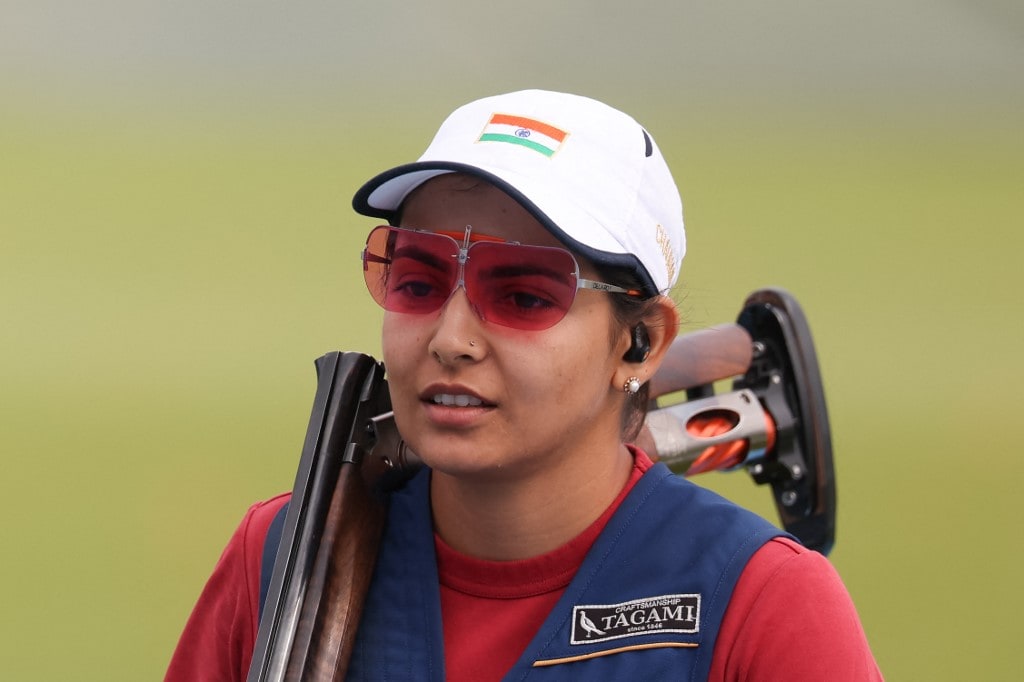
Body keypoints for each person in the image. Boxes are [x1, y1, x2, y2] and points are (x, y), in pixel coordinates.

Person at [166, 89, 882, 680]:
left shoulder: (762, 600)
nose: (451, 338)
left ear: (641, 342)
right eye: (417, 280)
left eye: (525, 297)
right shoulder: (282, 554)